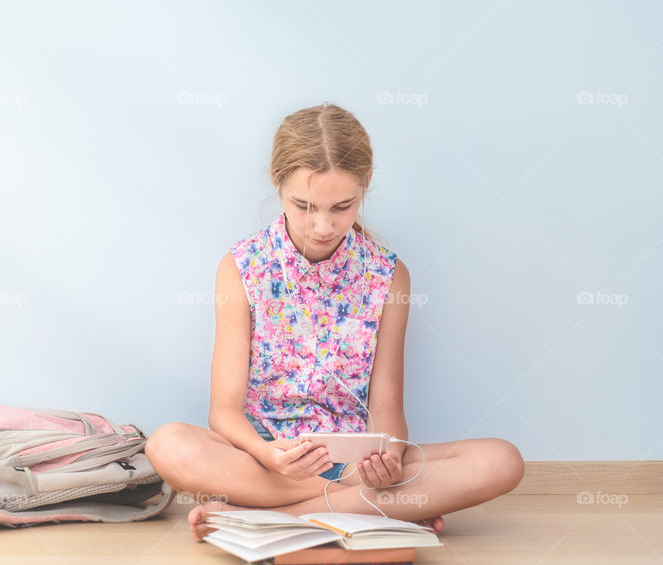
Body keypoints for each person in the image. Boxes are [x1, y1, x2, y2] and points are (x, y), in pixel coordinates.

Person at [144, 103, 525, 542]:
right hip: (267, 462)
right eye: (304, 206)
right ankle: (361, 508)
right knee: (167, 444)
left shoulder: (388, 275)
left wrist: (389, 459)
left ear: (364, 189)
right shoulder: (242, 267)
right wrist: (265, 454)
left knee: (501, 460)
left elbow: (387, 409)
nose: (322, 226)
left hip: (355, 462)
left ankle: (282, 517)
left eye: (342, 207)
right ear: (276, 184)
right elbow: (224, 411)